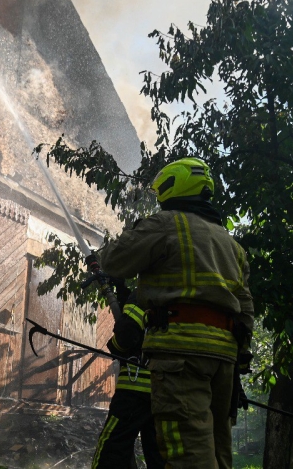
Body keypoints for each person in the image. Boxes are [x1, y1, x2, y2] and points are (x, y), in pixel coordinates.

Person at [97, 158, 254, 469]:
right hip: (224, 362)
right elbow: (245, 307)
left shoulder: (166, 224)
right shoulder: (231, 245)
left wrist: (121, 243)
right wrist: (241, 357)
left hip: (181, 357)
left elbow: (114, 260)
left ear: (175, 186)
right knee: (217, 451)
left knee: (187, 454)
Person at [91, 281, 165, 469]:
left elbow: (126, 335)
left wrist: (115, 347)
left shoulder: (143, 294)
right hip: (166, 391)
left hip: (135, 389)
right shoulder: (176, 294)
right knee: (159, 456)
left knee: (111, 448)